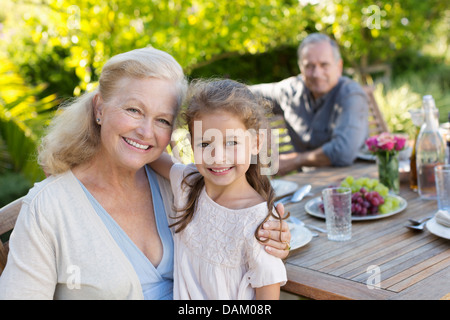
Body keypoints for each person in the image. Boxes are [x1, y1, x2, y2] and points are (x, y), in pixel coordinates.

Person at [0, 48, 290, 300]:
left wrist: (272, 239)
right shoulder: (49, 207)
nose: (146, 131)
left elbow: (236, 228)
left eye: (162, 119)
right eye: (134, 110)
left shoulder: (178, 187)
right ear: (99, 108)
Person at [150, 79, 288, 299]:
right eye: (205, 144)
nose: (218, 157)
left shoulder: (259, 222)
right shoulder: (188, 182)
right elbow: (150, 150)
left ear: (255, 143)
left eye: (232, 143)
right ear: (191, 143)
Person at [250, 33, 369, 175]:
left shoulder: (350, 94)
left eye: (324, 65)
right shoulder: (289, 91)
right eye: (309, 66)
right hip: (307, 182)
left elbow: (343, 152)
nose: (316, 74)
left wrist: (295, 160)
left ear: (339, 67)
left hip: (353, 176)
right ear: (301, 68)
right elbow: (246, 93)